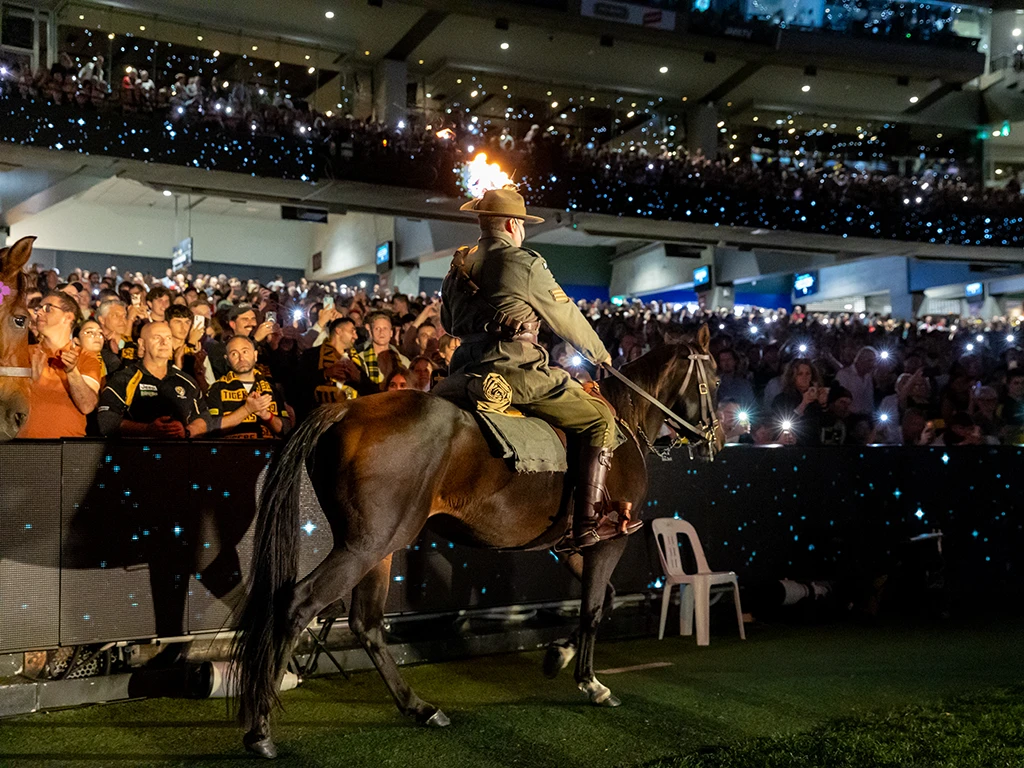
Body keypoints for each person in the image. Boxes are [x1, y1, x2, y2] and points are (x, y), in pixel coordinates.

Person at [440, 187, 639, 548]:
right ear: (514, 224)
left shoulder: (458, 266)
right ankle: (586, 524)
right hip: (515, 372)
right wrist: (600, 355)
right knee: (599, 419)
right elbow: (566, 317)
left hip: (464, 371)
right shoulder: (525, 263)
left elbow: (449, 323)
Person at [97, 322, 210, 438]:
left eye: (168, 338)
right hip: (137, 452)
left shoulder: (187, 382)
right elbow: (105, 420)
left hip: (178, 452)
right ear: (142, 344)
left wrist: (186, 431)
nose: (164, 342)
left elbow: (204, 416)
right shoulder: (124, 379)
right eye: (157, 338)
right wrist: (146, 429)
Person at [18, 291, 102, 438]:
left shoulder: (86, 357)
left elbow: (87, 406)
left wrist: (72, 372)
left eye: (48, 308)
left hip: (67, 449)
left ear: (68, 317)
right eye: (39, 309)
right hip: (22, 446)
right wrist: (28, 382)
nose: (39, 313)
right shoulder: (23, 353)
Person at [207, 336, 290, 439]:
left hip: (268, 451)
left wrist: (266, 416)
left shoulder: (271, 390)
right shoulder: (216, 389)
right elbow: (211, 429)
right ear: (227, 360)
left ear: (255, 355)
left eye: (245, 352)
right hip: (230, 451)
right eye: (234, 354)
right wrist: (247, 409)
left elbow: (286, 429)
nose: (241, 358)